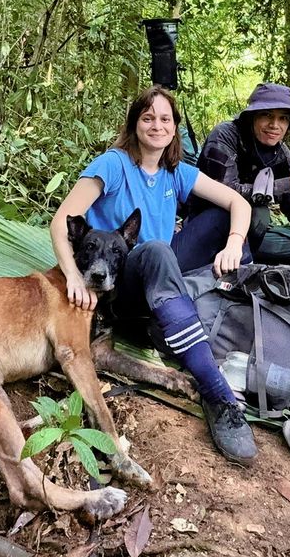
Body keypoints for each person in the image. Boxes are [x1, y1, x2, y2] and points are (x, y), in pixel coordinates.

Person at [50, 87, 258, 465]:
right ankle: (218, 395)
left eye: (165, 119)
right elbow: (61, 220)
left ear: (175, 127)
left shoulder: (175, 172)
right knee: (157, 251)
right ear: (135, 124)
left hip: (159, 272)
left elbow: (238, 202)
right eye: (148, 118)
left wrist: (233, 243)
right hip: (121, 285)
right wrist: (73, 278)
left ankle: (213, 308)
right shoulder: (113, 164)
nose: (157, 126)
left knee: (223, 220)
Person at [184, 83, 290, 274]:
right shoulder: (225, 136)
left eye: (283, 118)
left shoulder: (281, 153)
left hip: (252, 237)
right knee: (258, 214)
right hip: (210, 228)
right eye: (267, 115)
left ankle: (253, 263)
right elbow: (226, 191)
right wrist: (288, 184)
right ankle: (233, 267)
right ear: (252, 116)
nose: (275, 125)